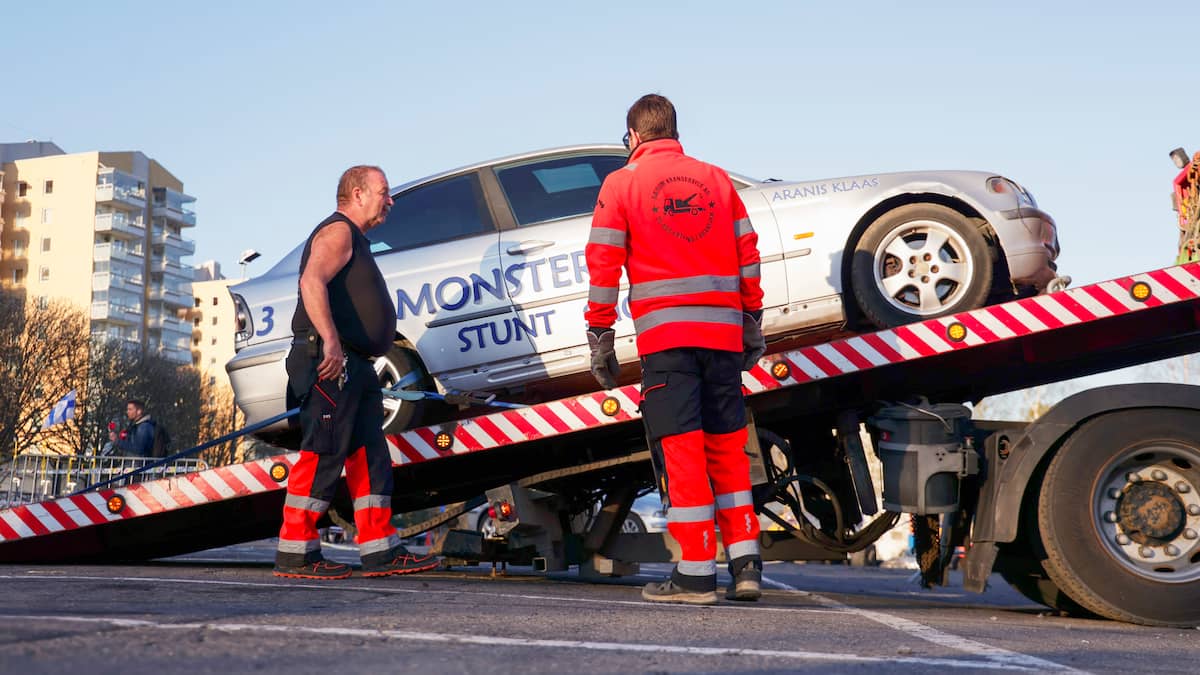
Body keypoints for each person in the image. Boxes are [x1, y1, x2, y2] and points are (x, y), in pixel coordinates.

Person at [585, 94, 767, 605]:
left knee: (683, 451)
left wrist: (601, 335)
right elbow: (747, 253)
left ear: (634, 137)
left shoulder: (622, 183)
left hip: (668, 341)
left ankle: (694, 576)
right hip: (724, 339)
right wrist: (751, 319)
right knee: (728, 447)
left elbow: (603, 263)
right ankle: (746, 565)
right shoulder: (715, 179)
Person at [274, 165, 439, 580]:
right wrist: (329, 340)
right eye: (384, 192)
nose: (390, 200)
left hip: (357, 367)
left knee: (370, 458)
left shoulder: (356, 239)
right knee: (324, 450)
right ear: (359, 193)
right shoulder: (338, 232)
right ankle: (295, 553)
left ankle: (381, 551)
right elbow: (312, 281)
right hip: (332, 362)